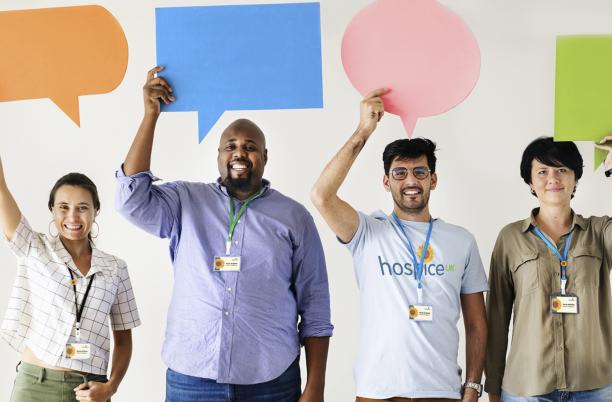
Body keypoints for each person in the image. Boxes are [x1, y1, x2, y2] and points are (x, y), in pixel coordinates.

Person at [115, 66, 333, 402]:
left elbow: (315, 308)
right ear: (218, 156)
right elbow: (130, 201)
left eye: (250, 146)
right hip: (192, 378)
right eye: (230, 146)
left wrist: (314, 387)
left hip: (271, 380)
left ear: (264, 157)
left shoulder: (295, 217)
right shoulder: (186, 201)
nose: (240, 152)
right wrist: (150, 116)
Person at [310, 88, 488, 402]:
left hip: (441, 391)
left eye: (420, 172)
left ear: (433, 180)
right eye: (400, 172)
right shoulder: (368, 232)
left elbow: (476, 322)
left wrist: (473, 387)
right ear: (386, 181)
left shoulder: (461, 240)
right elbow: (322, 196)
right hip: (377, 392)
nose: (410, 181)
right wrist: (363, 131)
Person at [0, 159, 140, 402]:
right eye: (63, 207)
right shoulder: (34, 248)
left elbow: (124, 339)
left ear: (96, 211)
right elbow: (1, 189)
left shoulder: (115, 268)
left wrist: (111, 387)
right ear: (52, 210)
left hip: (89, 390)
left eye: (82, 208)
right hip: (35, 385)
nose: (73, 216)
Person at [485, 136, 612, 402]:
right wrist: (493, 388)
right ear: (530, 183)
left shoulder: (600, 231)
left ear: (575, 179)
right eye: (542, 172)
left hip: (595, 386)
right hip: (527, 389)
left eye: (562, 170)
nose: (552, 178)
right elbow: (497, 318)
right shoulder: (510, 238)